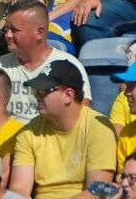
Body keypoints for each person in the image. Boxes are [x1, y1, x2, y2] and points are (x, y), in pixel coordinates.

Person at [7, 59, 116, 199]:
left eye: (43, 91)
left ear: (68, 95)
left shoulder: (99, 127)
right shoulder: (28, 132)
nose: (36, 96)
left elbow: (97, 192)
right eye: (36, 91)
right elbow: (19, 190)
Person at [0, 0, 91, 123]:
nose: (7, 35)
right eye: (7, 29)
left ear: (39, 33)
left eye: (14, 30)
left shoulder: (68, 66)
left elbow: (80, 115)